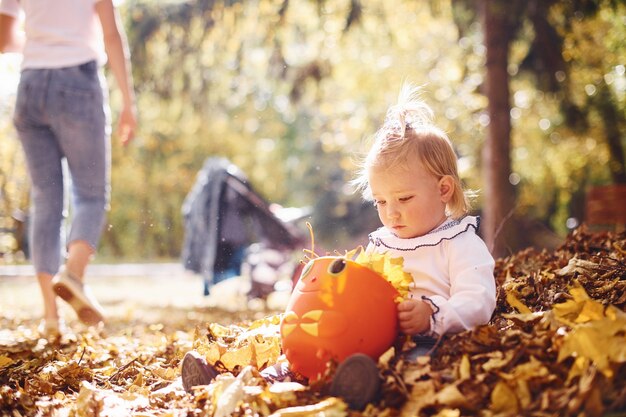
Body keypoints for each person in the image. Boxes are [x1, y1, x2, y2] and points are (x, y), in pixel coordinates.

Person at [179, 83, 496, 410]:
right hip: (361, 336)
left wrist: (434, 315)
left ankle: (355, 391)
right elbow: (358, 287)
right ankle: (229, 383)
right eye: (381, 201)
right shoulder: (382, 244)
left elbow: (478, 301)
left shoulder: (459, 244)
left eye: (404, 198)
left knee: (408, 367)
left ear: (444, 189)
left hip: (425, 341)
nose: (391, 212)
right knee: (302, 355)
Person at [0, 0, 137, 338]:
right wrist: (128, 103)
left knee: (46, 201)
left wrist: (40, 42)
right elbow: (111, 34)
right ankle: (73, 275)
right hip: (78, 80)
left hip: (30, 86)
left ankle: (50, 318)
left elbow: (3, 39)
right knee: (91, 195)